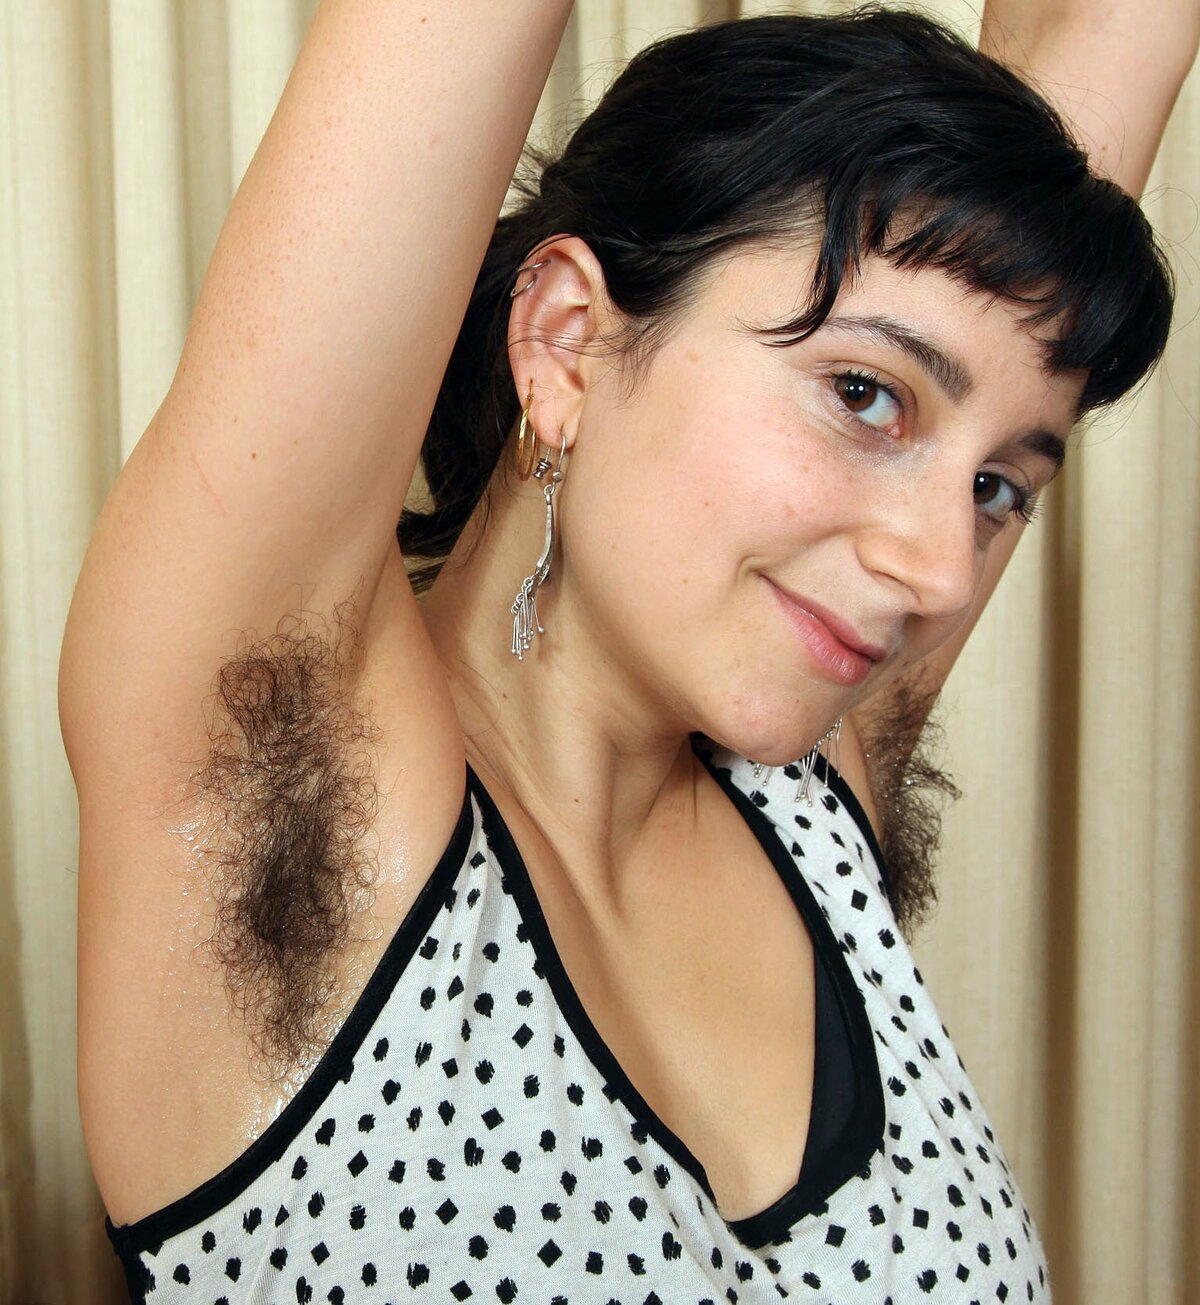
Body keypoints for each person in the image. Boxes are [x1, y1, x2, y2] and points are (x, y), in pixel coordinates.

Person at [59, 2, 1193, 1300]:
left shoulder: (815, 801)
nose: (942, 571)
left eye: (998, 487)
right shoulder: (284, 785)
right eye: (866, 394)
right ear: (566, 340)